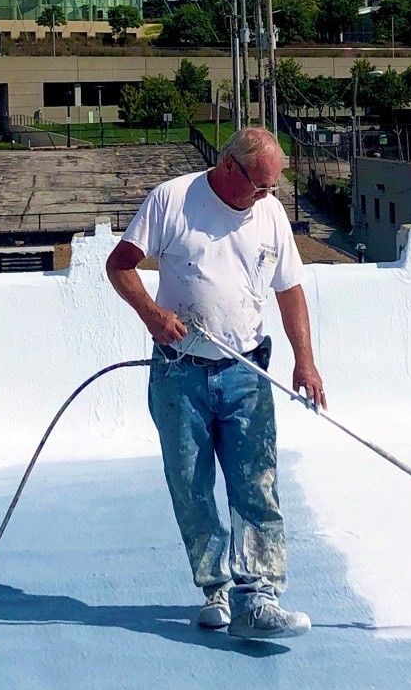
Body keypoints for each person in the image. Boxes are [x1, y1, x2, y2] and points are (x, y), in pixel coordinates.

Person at [105, 125, 325, 643]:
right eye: (260, 186)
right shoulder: (174, 200)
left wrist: (306, 362)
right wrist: (151, 313)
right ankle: (216, 589)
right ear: (230, 168)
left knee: (256, 483)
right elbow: (120, 266)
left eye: (272, 188)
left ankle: (261, 594)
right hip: (180, 374)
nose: (266, 198)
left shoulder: (268, 213)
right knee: (191, 485)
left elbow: (289, 289)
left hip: (245, 372)